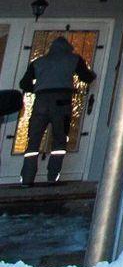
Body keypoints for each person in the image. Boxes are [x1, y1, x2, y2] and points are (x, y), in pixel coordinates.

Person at [19, 36, 97, 184]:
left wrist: (38, 88)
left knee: (34, 139)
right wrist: (92, 74)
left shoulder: (39, 62)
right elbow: (86, 78)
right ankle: (52, 178)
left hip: (41, 101)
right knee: (59, 139)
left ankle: (27, 179)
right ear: (68, 48)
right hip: (62, 101)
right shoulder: (73, 59)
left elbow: (24, 84)